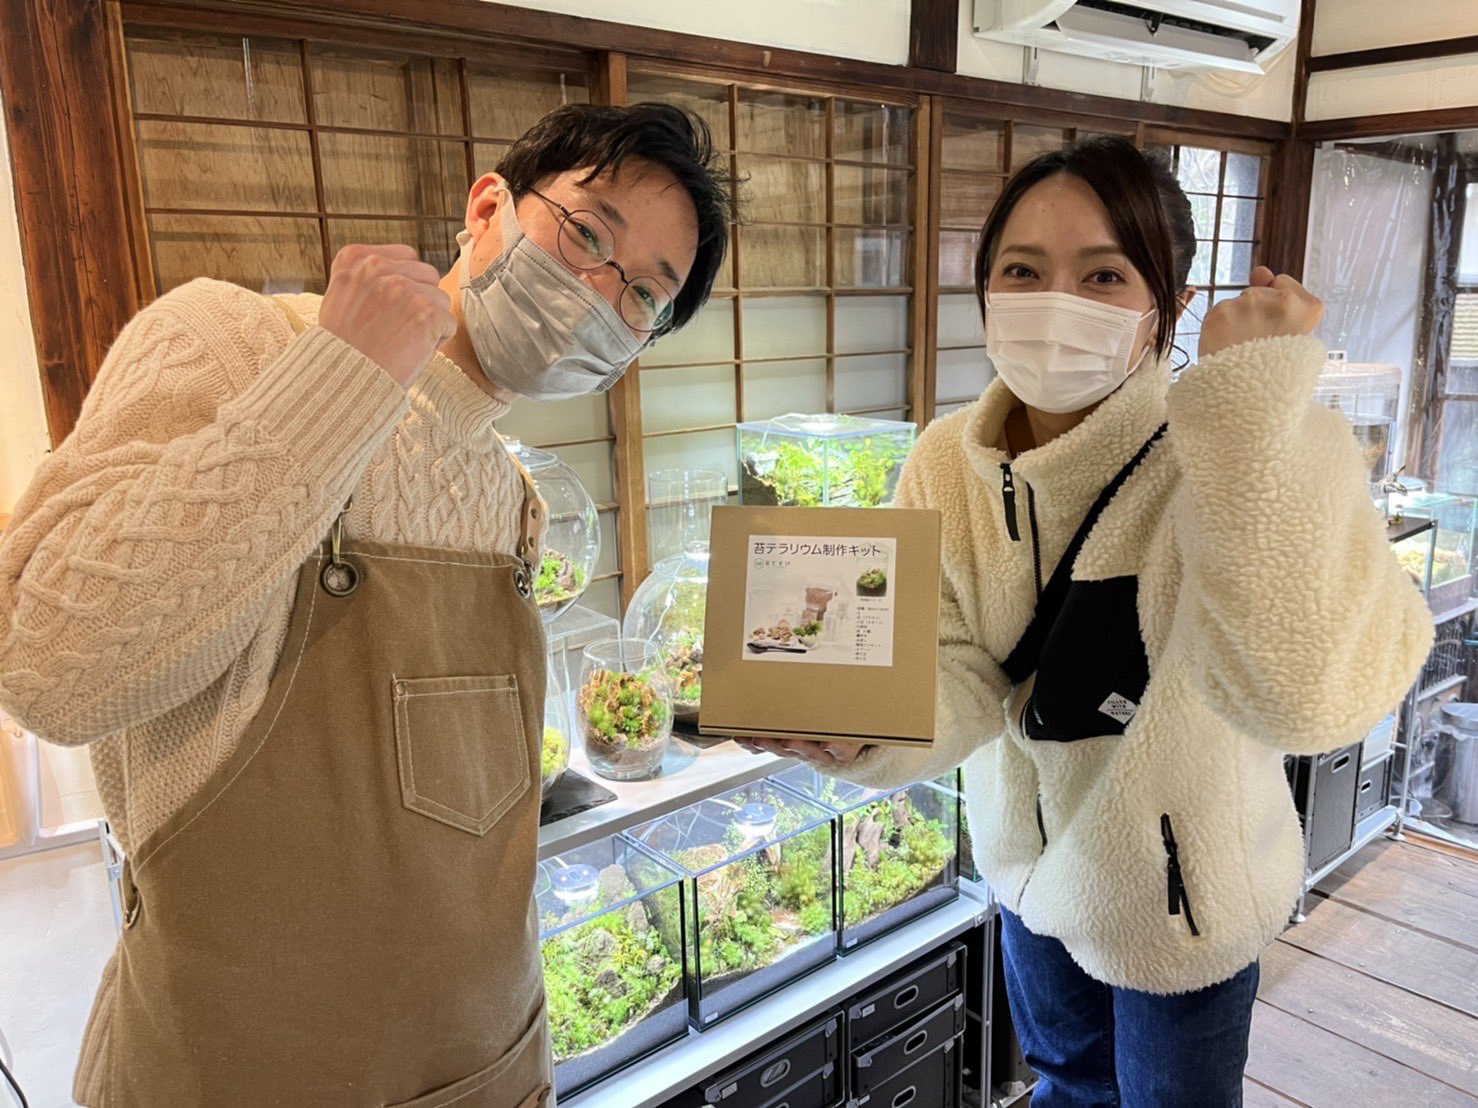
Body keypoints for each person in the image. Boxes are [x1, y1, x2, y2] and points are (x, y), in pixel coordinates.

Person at [0, 102, 733, 1108]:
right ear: (489, 208)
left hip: (488, 1072)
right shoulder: (235, 343)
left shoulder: (508, 494)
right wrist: (341, 376)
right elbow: (49, 667)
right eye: (587, 233)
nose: (601, 292)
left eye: (645, 293)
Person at [740, 136, 1433, 1107]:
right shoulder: (945, 458)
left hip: (1179, 904)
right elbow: (958, 666)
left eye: (1103, 274)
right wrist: (867, 730)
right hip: (1026, 878)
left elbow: (1307, 698)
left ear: (1168, 306)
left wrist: (1254, 400)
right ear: (984, 289)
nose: (1054, 302)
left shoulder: (1234, 446)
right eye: (1022, 271)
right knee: (1065, 1086)